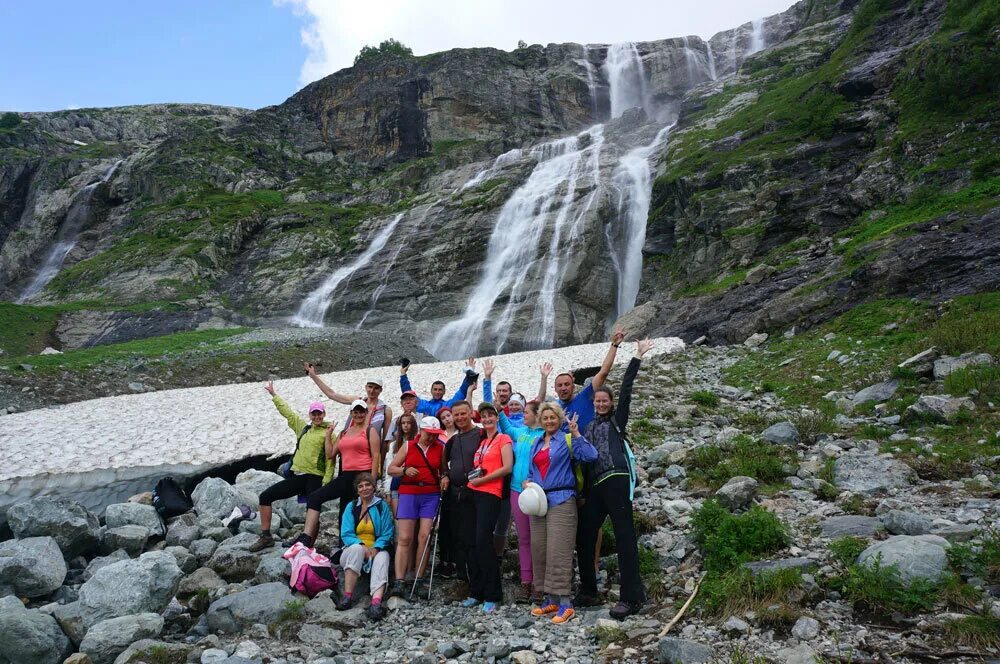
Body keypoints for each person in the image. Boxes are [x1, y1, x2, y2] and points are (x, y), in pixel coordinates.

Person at [575, 339, 654, 619]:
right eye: (597, 401)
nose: (601, 404)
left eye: (604, 400)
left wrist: (637, 358)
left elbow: (627, 391)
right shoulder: (587, 426)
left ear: (610, 403)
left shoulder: (617, 420)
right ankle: (588, 590)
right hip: (596, 486)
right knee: (584, 535)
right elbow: (583, 458)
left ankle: (632, 597)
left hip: (617, 479)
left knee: (624, 538)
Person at [525, 403, 598, 624]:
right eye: (545, 418)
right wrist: (528, 481)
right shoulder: (537, 442)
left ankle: (566, 602)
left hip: (562, 499)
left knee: (559, 550)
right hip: (539, 501)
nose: (549, 421)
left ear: (559, 419)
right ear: (541, 420)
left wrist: (575, 432)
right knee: (540, 549)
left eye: (552, 417)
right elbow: (531, 470)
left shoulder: (566, 439)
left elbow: (591, 455)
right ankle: (550, 599)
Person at [250, 382, 332, 552]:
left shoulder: (329, 433)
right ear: (310, 414)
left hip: (315, 477)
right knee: (265, 496)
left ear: (324, 414)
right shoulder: (303, 428)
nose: (317, 416)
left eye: (319, 413)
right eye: (314, 413)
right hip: (298, 476)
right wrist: (274, 395)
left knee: (313, 509)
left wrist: (327, 481)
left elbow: (331, 459)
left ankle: (308, 543)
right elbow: (288, 413)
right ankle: (266, 536)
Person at [449, 402, 513, 613]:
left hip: (490, 493)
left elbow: (506, 467)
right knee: (470, 542)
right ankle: (476, 591)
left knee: (483, 541)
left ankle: (493, 594)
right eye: (483, 416)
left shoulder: (503, 439)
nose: (487, 419)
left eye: (490, 416)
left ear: (497, 418)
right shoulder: (483, 441)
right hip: (472, 492)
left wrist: (482, 480)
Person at [293, 399, 381, 547]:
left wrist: (372, 481)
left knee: (353, 512)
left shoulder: (370, 430)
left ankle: (352, 547)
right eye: (355, 412)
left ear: (366, 413)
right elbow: (330, 454)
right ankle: (307, 536)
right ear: (351, 413)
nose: (358, 414)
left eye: (361, 412)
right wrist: (328, 435)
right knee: (316, 498)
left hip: (362, 476)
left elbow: (376, 456)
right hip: (346, 476)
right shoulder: (344, 432)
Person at [387, 416, 448, 598]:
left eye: (435, 435)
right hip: (408, 493)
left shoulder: (440, 448)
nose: (432, 438)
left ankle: (419, 579)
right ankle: (399, 580)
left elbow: (443, 470)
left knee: (425, 536)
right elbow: (391, 468)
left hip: (431, 494)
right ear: (421, 431)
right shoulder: (408, 446)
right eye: (429, 434)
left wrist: (445, 477)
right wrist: (405, 471)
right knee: (405, 537)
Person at [495, 398, 543, 602]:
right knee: (524, 539)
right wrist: (498, 410)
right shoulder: (521, 432)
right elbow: (505, 426)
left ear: (535, 415)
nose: (522, 416)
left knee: (538, 539)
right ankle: (526, 583)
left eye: (526, 413)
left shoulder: (544, 435)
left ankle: (539, 585)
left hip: (537, 491)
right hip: (517, 489)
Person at [337, 473, 394, 621]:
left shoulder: (382, 507)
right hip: (353, 550)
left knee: (383, 557)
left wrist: (376, 547)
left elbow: (388, 532)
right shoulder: (351, 507)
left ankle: (376, 602)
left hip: (375, 549)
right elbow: (346, 533)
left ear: (374, 487)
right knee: (356, 549)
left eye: (368, 484)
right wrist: (362, 546)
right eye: (360, 486)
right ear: (357, 490)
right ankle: (347, 596)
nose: (364, 488)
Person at [441, 400, 484, 584]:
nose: (459, 418)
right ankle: (462, 577)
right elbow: (444, 462)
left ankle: (476, 577)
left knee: (474, 536)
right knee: (457, 535)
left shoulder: (481, 434)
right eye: (456, 414)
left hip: (476, 492)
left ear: (470, 413)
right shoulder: (452, 440)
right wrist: (445, 475)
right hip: (455, 493)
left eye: (462, 414)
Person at [553, 327, 626, 433]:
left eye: (567, 384)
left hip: (586, 447)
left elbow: (603, 373)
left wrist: (614, 345)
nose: (563, 388)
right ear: (555, 389)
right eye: (560, 385)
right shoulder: (554, 407)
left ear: (573, 386)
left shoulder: (586, 396)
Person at [304, 363, 392, 442]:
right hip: (349, 446)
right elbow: (331, 394)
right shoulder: (357, 401)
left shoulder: (385, 410)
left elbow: (385, 439)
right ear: (366, 387)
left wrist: (381, 458)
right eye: (370, 387)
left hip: (370, 451)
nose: (372, 390)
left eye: (376, 388)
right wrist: (314, 376)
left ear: (381, 390)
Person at [400, 358, 477, 417]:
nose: (437, 392)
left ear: (444, 392)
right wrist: (403, 374)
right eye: (435, 389)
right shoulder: (422, 404)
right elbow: (408, 394)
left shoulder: (448, 405)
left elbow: (462, 392)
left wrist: (469, 374)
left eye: (440, 390)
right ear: (431, 391)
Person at [484, 359, 552, 417]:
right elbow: (487, 402)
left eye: (504, 391)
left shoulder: (522, 406)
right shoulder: (494, 408)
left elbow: (539, 400)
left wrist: (544, 378)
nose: (501, 393)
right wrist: (487, 377)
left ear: (511, 393)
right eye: (498, 391)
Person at [385, 412, 420, 514]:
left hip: (414, 483)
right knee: (398, 516)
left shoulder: (418, 443)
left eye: (408, 423)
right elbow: (389, 468)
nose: (405, 425)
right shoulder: (394, 445)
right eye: (403, 423)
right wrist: (387, 491)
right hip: (396, 482)